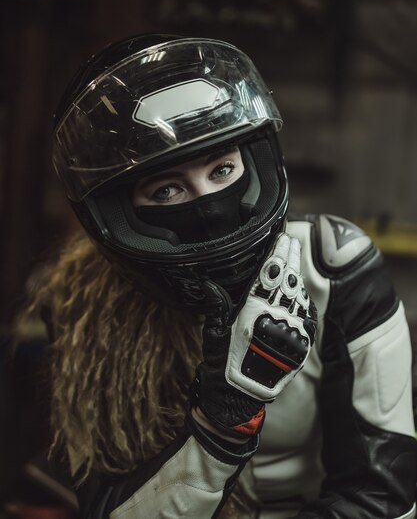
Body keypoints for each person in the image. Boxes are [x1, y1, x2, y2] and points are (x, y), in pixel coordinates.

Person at [26, 34, 416, 519]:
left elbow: (383, 500)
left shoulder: (336, 270)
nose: (209, 207)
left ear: (253, 165)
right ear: (119, 213)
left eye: (222, 169)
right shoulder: (81, 304)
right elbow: (107, 510)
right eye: (166, 190)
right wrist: (221, 425)